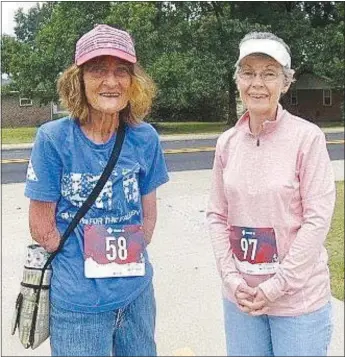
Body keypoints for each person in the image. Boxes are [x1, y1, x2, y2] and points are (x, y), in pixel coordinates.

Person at [25, 24, 169, 356]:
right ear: (78, 80)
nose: (111, 81)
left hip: (136, 295)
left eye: (122, 71)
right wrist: (80, 259)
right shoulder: (53, 138)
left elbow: (148, 219)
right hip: (77, 305)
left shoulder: (144, 137)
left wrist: (119, 258)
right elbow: (42, 228)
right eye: (97, 70)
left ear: (134, 82)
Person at [206, 31, 335, 357]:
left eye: (269, 73)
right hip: (242, 300)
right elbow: (217, 215)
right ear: (237, 80)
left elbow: (317, 219)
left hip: (297, 302)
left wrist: (276, 286)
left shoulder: (308, 139)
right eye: (248, 73)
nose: (257, 83)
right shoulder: (227, 143)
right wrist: (233, 280)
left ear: (286, 82)